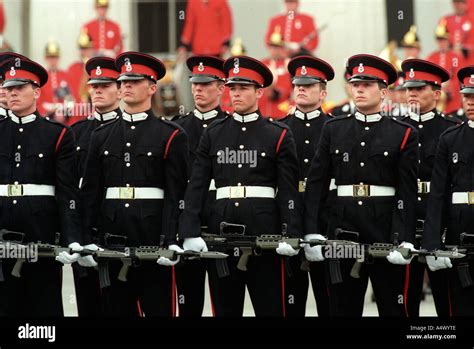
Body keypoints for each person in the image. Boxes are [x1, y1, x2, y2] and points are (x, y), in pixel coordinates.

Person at [179, 55, 302, 316]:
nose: (236, 94)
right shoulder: (214, 133)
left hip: (265, 234)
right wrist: (189, 230)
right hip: (221, 234)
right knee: (225, 309)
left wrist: (291, 232)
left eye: (243, 88)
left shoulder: (277, 134)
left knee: (271, 308)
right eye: (232, 88)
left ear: (259, 92)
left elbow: (288, 190)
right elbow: (197, 186)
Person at [304, 54, 418, 316]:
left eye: (367, 84)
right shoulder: (334, 129)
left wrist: (405, 238)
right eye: (356, 84)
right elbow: (317, 185)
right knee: (343, 307)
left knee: (392, 306)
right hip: (343, 228)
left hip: (385, 229)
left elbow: (406, 192)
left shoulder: (403, 133)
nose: (360, 89)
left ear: (384, 91)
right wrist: (312, 231)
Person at [80, 51, 188, 316]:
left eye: (134, 81)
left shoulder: (171, 135)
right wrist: (86, 238)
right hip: (112, 241)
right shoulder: (101, 135)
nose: (126, 85)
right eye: (124, 81)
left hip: (153, 241)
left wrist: (172, 238)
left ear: (152, 88)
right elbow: (91, 193)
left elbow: (176, 195)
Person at [0, 56, 82, 316]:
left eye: (19, 88)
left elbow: (66, 191)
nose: (12, 93)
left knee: (44, 308)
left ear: (36, 92)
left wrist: (72, 239)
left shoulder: (57, 135)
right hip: (2, 231)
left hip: (42, 234)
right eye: (8, 88)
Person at [400, 59, 460, 317]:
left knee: (447, 301)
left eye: (419, 88)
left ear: (436, 94)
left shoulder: (450, 130)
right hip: (405, 218)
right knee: (403, 300)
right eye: (409, 88)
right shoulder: (395, 129)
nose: (412, 93)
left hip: (440, 221)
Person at [173, 55, 227, 316]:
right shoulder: (177, 128)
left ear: (220, 87)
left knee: (224, 302)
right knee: (188, 304)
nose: (198, 89)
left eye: (205, 84)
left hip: (222, 221)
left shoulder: (231, 127)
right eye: (195, 83)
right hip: (187, 222)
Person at [282, 55, 335, 316]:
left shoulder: (334, 128)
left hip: (324, 220)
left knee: (329, 301)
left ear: (323, 92)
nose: (300, 89)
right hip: (288, 219)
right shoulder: (280, 128)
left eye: (309, 85)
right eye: (297, 84)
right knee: (291, 301)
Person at [70, 56, 121, 316]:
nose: (97, 90)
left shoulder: (128, 129)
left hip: (119, 230)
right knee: (87, 307)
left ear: (119, 89)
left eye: (105, 85)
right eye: (94, 85)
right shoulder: (76, 132)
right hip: (84, 232)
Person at [422, 65, 474, 316]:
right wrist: (432, 242)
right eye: (467, 96)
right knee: (459, 306)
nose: (470, 102)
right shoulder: (450, 138)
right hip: (459, 229)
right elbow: (438, 194)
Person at [427, 20, 465, 116]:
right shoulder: (431, 57)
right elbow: (428, 77)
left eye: (444, 40)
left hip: (452, 101)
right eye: (439, 40)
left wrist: (448, 90)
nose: (441, 43)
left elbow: (458, 78)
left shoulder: (456, 57)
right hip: (435, 97)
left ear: (448, 40)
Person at [260, 27, 293, 119]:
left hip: (283, 110)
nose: (274, 50)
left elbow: (288, 87)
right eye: (272, 46)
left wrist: (276, 91)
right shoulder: (263, 63)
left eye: (278, 47)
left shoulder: (288, 64)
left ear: (283, 48)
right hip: (264, 110)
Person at [37, 40, 74, 121]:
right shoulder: (41, 77)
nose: (53, 61)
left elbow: (70, 99)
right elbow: (38, 101)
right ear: (45, 58)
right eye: (50, 57)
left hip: (64, 118)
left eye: (55, 57)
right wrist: (46, 112)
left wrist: (64, 113)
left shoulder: (66, 76)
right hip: (46, 118)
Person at [438, 0, 474, 64]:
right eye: (455, 2)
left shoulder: (471, 19)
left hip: (469, 59)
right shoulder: (445, 20)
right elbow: (441, 41)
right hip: (451, 59)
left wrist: (463, 49)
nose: (457, 5)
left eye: (461, 2)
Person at [67, 29, 95, 105]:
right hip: (76, 112)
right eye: (82, 49)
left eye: (87, 48)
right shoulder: (72, 68)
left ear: (92, 49)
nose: (84, 52)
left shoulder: (98, 69)